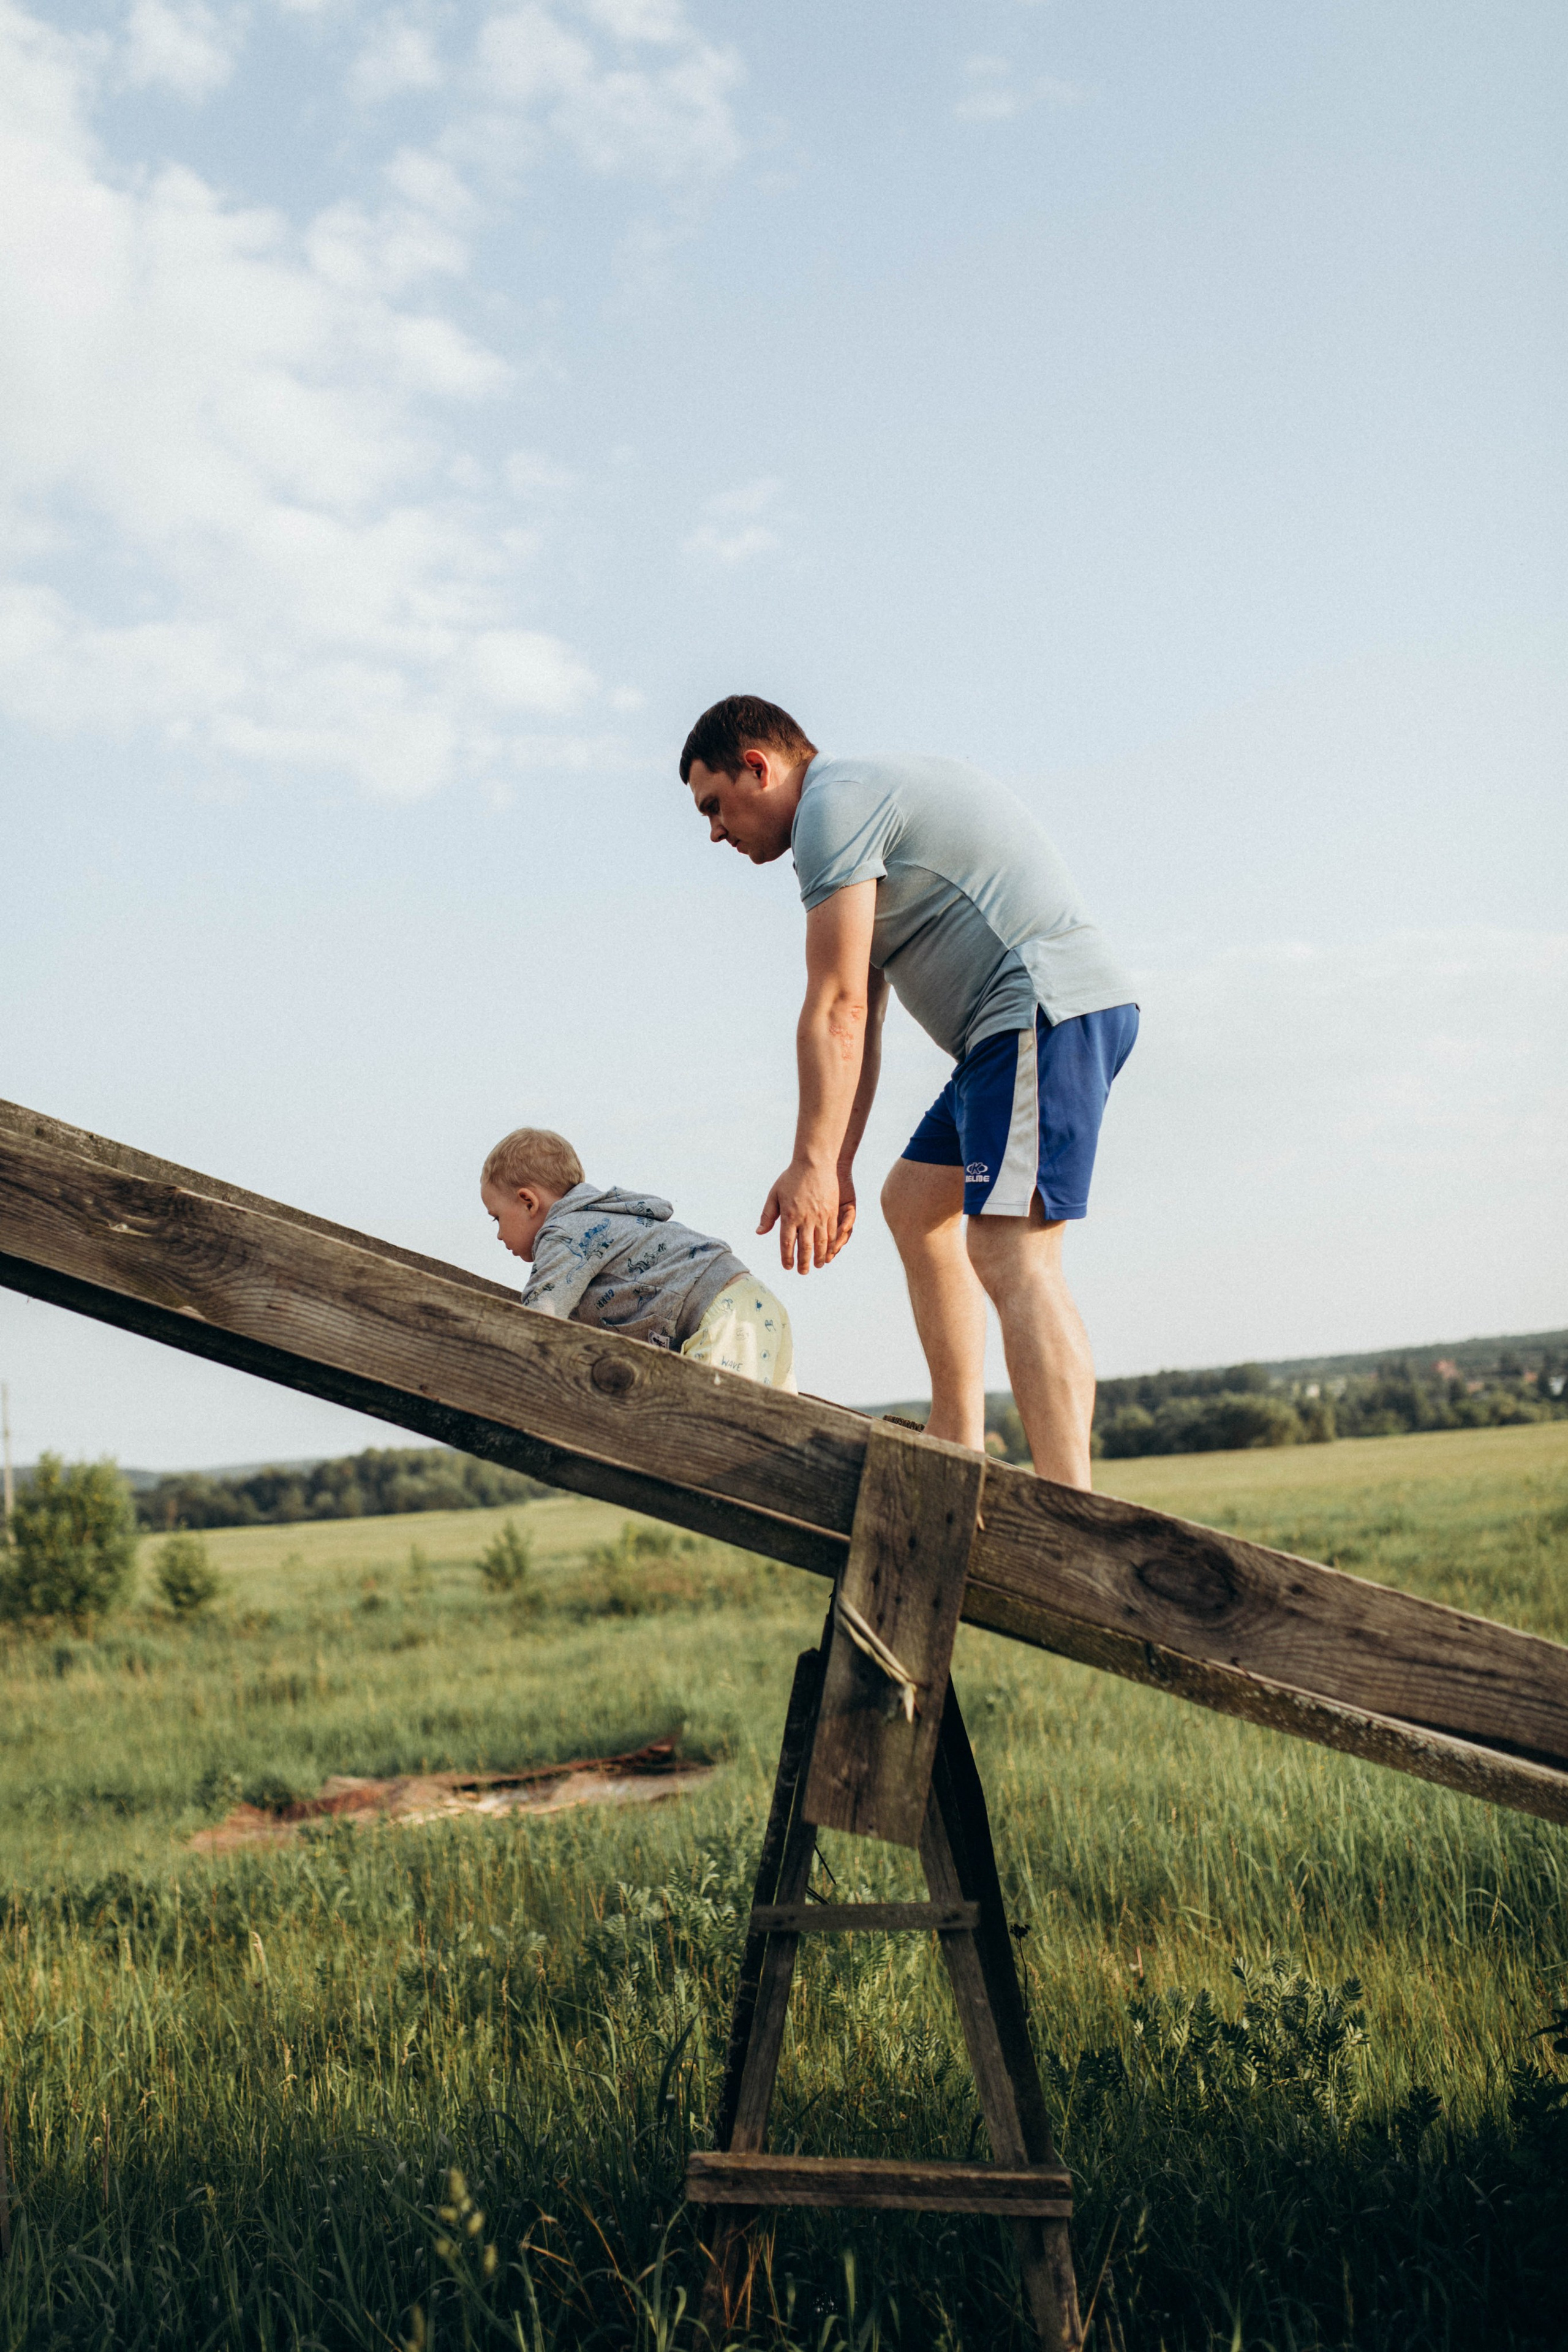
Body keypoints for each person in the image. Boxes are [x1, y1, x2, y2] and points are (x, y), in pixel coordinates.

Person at [679, 694, 1137, 1487]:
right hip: (1003, 1035)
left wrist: (813, 1165)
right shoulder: (845, 818)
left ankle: (1075, 1505)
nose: (715, 831)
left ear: (759, 765)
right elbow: (863, 1023)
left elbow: (835, 1009)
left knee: (1011, 1251)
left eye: (715, 805)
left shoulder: (833, 806)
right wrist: (839, 1162)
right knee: (913, 1204)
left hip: (1039, 1009)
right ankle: (957, 1442)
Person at [480, 1124, 797, 1390]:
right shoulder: (605, 1219)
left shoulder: (565, 1232)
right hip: (751, 1306)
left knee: (705, 1437)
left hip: (720, 1315)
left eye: (497, 1218)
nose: (497, 1234)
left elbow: (540, 1317)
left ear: (528, 1202)